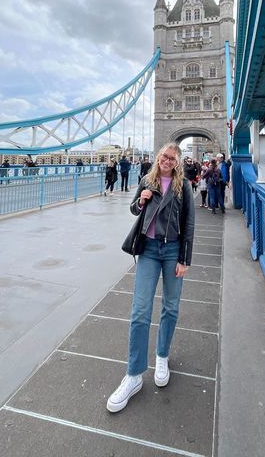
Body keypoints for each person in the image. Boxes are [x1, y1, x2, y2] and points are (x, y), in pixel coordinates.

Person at [107, 142, 195, 413]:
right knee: (140, 311)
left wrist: (185, 259)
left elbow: (189, 223)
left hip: (171, 251)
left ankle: (161, 356)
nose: (167, 161)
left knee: (170, 307)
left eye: (171, 158)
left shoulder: (185, 187)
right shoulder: (147, 179)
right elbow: (134, 210)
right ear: (158, 158)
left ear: (177, 162)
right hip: (148, 249)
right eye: (164, 156)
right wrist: (141, 199)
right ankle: (133, 375)